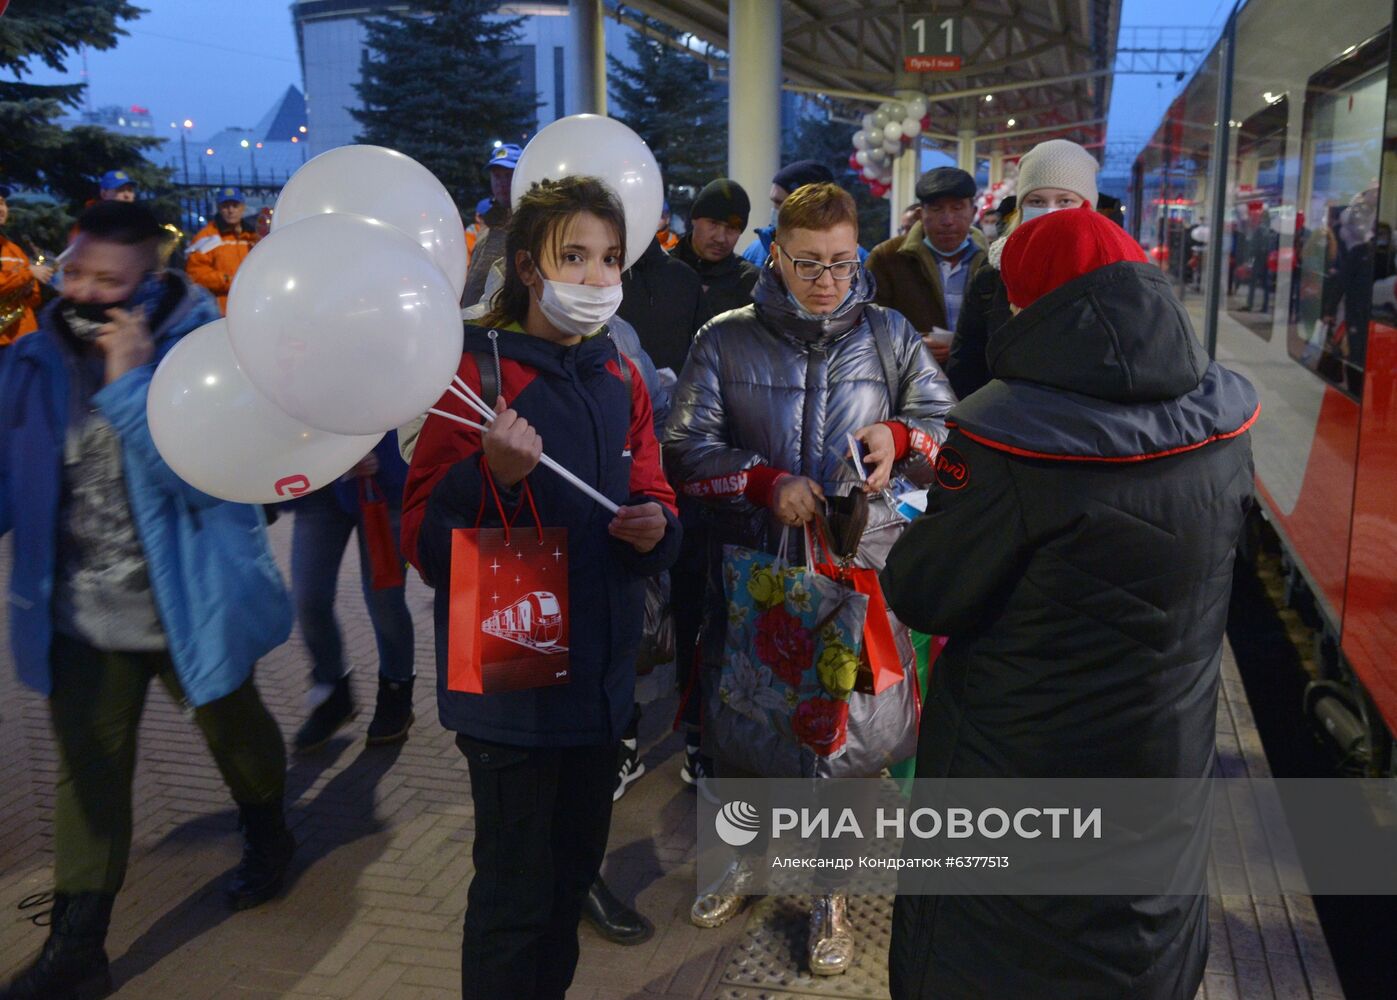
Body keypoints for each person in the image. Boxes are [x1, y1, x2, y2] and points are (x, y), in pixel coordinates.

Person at [881, 209, 1257, 1000]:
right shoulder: (1223, 416)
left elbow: (924, 592)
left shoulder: (1009, 436)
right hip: (1163, 758)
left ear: (1029, 306)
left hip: (1019, 765)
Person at [0, 202, 296, 1000]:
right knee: (87, 775)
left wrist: (130, 389)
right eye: (75, 272)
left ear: (151, 283)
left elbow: (214, 478)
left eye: (110, 280)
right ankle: (77, 946)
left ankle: (268, 834)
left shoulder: (207, 354)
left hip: (187, 607)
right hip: (82, 614)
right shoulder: (31, 363)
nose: (85, 293)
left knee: (239, 739)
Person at [401, 175, 682, 999]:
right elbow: (422, 542)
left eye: (610, 259)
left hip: (600, 675)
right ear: (528, 266)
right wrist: (491, 478)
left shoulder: (619, 377)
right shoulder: (469, 375)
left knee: (565, 889)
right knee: (513, 899)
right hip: (511, 670)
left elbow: (655, 489)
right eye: (574, 258)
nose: (596, 279)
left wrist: (657, 530)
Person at [665, 182, 955, 976]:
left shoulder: (891, 338)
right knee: (741, 735)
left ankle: (829, 895)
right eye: (807, 264)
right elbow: (683, 448)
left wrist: (901, 435)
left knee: (845, 751)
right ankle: (742, 866)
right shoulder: (724, 340)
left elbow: (947, 433)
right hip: (753, 575)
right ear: (777, 256)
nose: (826, 280)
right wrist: (761, 483)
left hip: (854, 575)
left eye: (840, 262)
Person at [290, 434, 417, 752]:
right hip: (317, 485)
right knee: (308, 599)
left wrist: (385, 456)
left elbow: (405, 400)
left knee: (384, 601)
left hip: (381, 483)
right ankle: (333, 693)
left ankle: (396, 692)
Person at [947, 138, 1099, 399]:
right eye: (1037, 201)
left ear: (1087, 207)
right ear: (1020, 207)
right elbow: (965, 368)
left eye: (1065, 201)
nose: (1050, 212)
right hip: (1001, 425)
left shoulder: (1108, 277)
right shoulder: (992, 276)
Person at [867, 166, 987, 368]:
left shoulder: (992, 261)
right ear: (920, 213)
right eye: (937, 209)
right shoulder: (887, 258)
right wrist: (910, 346)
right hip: (911, 378)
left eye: (957, 208)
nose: (948, 220)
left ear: (973, 211)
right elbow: (867, 324)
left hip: (977, 381)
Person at [617, 232, 709, 375]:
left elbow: (705, 344)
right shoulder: (604, 276)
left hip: (673, 391)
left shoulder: (684, 276)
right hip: (613, 387)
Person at [672, 178, 760, 315]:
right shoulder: (661, 269)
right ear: (694, 219)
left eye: (731, 228)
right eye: (713, 223)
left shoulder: (750, 282)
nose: (720, 238)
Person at [461, 143, 521, 307]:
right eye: (497, 175)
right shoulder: (489, 219)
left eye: (508, 175)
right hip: (474, 321)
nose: (501, 183)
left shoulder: (527, 223)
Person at [185, 186, 259, 314]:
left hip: (252, 306)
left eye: (235, 205)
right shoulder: (206, 237)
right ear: (219, 208)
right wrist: (227, 280)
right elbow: (196, 274)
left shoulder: (253, 236)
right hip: (221, 312)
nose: (231, 210)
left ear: (242, 208)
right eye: (226, 206)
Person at [1, 184, 53, 348]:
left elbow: (34, 299)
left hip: (22, 340)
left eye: (2, 202)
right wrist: (29, 273)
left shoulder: (14, 249)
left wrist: (29, 288)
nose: (1, 208)